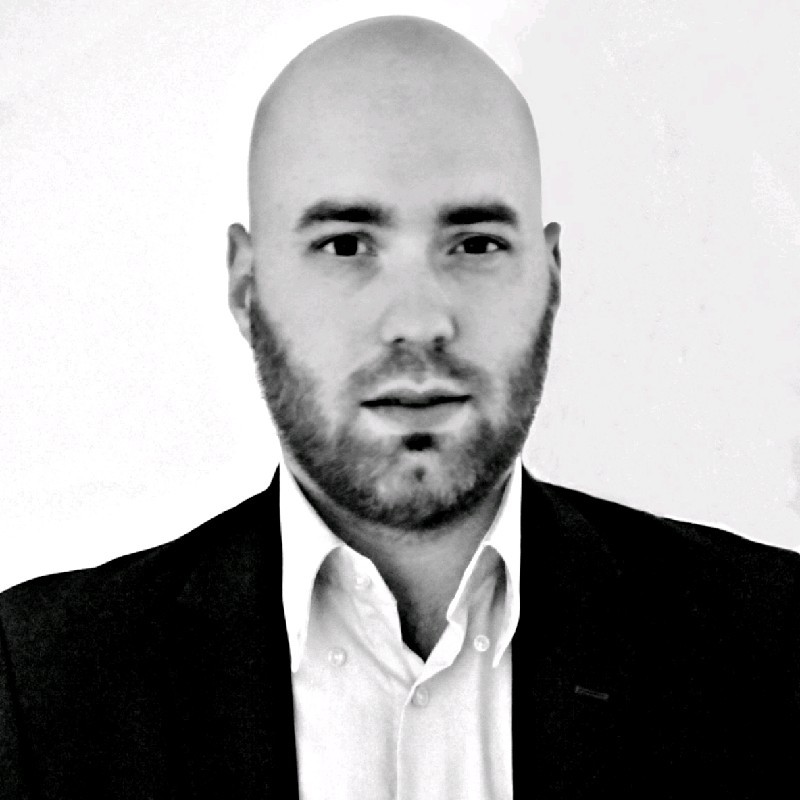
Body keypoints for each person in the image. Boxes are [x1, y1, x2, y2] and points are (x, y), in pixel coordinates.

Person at [1, 15, 798, 799]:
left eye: (476, 243)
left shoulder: (776, 645)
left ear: (550, 276)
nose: (418, 320)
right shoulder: (36, 686)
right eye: (346, 244)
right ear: (247, 287)